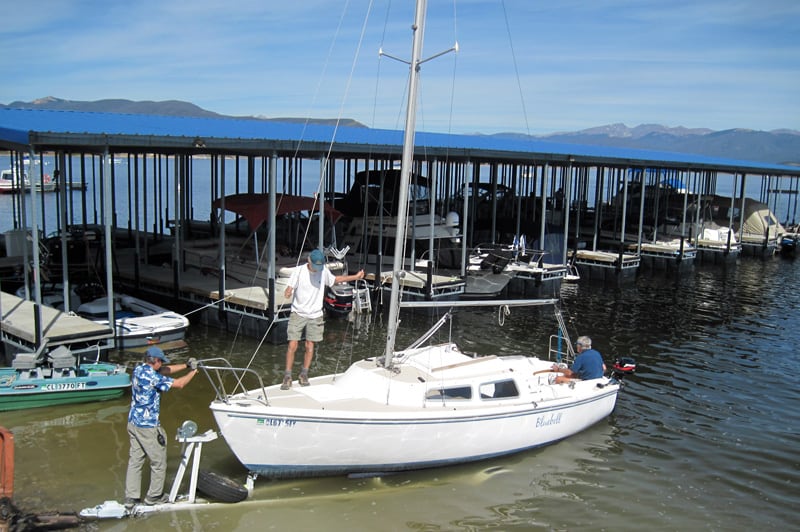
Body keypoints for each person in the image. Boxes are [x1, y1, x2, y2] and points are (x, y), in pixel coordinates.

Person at [124, 346, 199, 507]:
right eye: (160, 361)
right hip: (148, 426)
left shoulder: (139, 370)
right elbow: (179, 384)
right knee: (158, 462)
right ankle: (154, 497)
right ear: (155, 361)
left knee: (135, 461)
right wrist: (193, 372)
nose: (162, 364)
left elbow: (165, 370)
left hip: (133, 423)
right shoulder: (153, 377)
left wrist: (186, 365)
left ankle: (131, 498)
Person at [281, 249, 364, 389]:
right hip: (298, 312)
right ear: (309, 261)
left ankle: (304, 374)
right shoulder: (299, 271)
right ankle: (287, 376)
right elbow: (289, 288)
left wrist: (355, 277)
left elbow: (336, 280)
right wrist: (288, 292)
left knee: (310, 345)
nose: (317, 269)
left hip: (315, 314)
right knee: (292, 345)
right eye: (315, 266)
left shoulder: (323, 271)